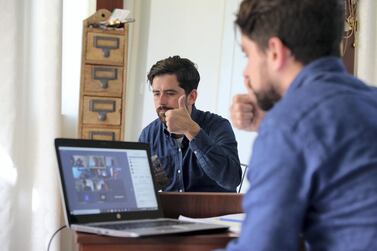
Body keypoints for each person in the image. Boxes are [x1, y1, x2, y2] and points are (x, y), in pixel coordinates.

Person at [225, 0, 377, 250]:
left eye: (248, 54)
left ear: (275, 52)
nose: (246, 72)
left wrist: (277, 128)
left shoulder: (287, 126)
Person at [139, 56, 241, 192]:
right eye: (156, 94)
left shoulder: (218, 126)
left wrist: (192, 130)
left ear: (192, 97)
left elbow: (231, 180)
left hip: (213, 212)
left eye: (170, 93)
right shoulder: (149, 135)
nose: (161, 101)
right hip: (170, 212)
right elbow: (149, 189)